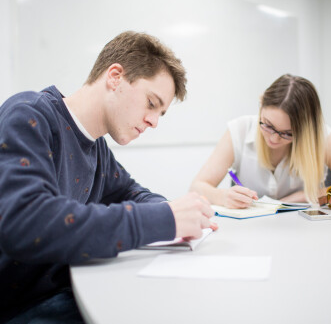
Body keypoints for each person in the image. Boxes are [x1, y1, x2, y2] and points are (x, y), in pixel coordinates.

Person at [0, 31, 215, 323]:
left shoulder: (96, 146)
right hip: (17, 306)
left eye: (160, 114)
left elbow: (131, 193)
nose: (153, 122)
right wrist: (165, 220)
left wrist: (177, 213)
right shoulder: (29, 115)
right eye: (152, 104)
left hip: (63, 291)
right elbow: (27, 223)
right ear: (115, 77)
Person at [190, 74, 331, 208]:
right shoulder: (240, 129)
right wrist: (223, 196)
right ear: (261, 104)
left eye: (288, 133)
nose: (274, 138)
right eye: (268, 125)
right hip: (251, 232)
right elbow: (196, 187)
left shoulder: (321, 137)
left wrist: (310, 194)